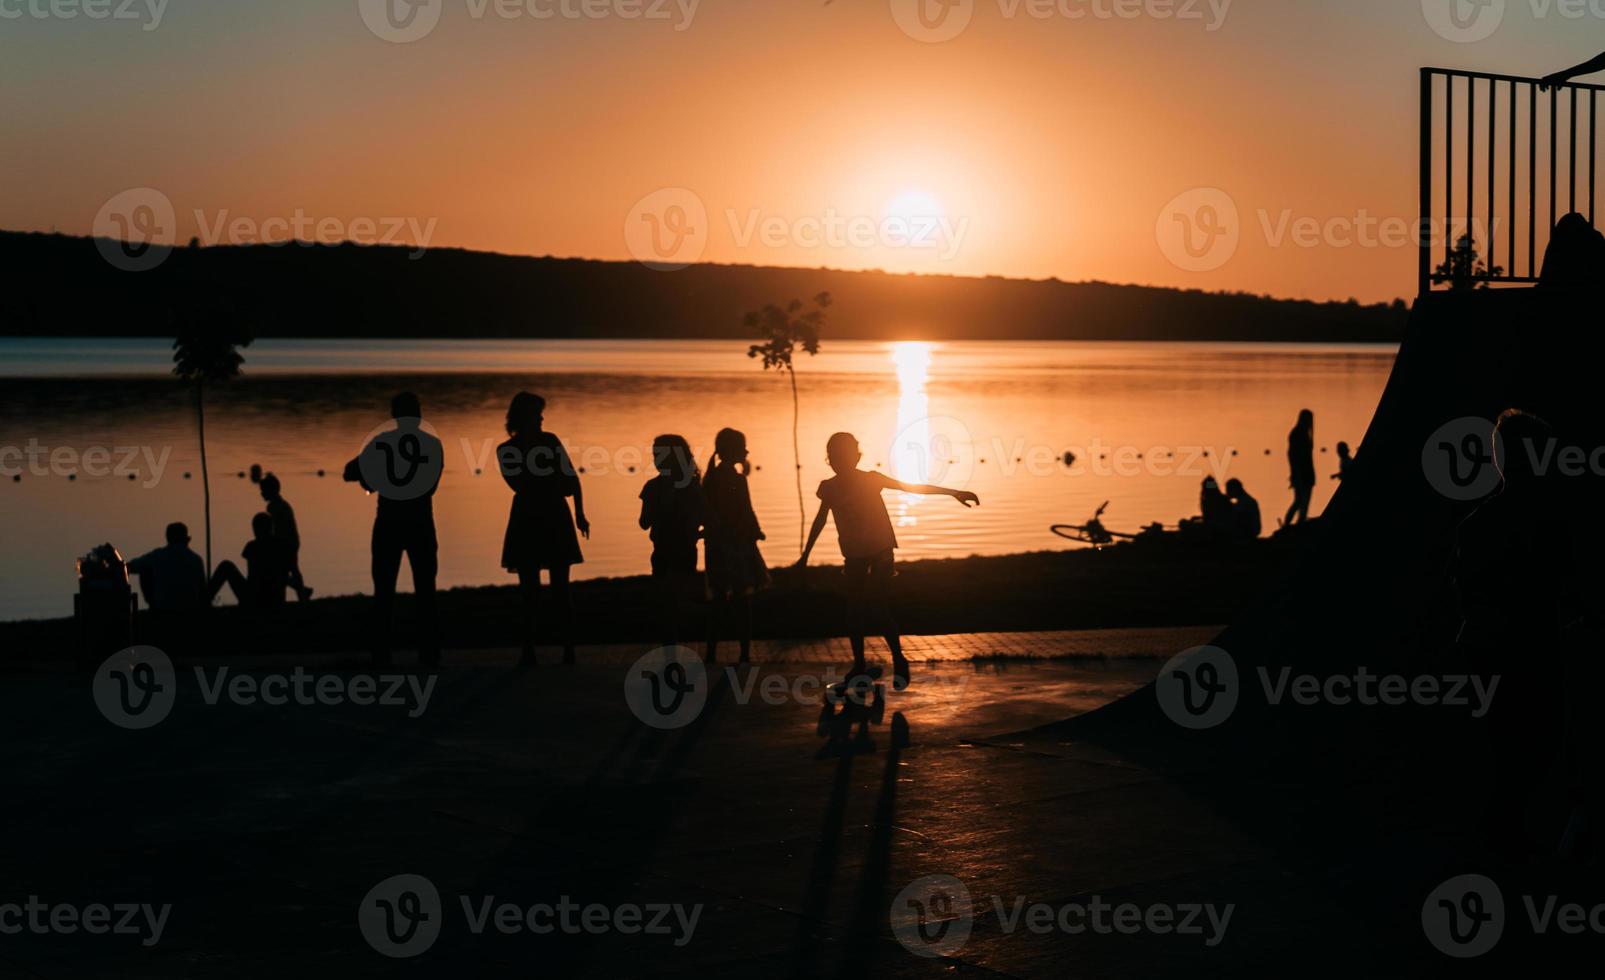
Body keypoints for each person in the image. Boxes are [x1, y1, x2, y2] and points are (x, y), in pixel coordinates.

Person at [1451, 409, 1577, 855]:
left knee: (1509, 741)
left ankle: (1500, 832)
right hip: (1520, 644)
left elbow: (1469, 592)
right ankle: (1503, 834)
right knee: (1530, 739)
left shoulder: (1479, 523)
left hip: (1490, 644)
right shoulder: (1546, 520)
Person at [796, 432, 980, 690]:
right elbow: (820, 520)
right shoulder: (829, 488)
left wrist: (953, 492)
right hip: (854, 554)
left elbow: (912, 487)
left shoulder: (872, 480)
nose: (841, 462)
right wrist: (805, 554)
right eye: (836, 458)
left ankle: (898, 657)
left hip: (880, 552)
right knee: (853, 611)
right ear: (830, 460)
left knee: (878, 608)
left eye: (845, 456)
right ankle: (859, 665)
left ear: (856, 457)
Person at [344, 392, 443, 667]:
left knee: (384, 591)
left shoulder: (381, 443)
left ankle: (381, 655)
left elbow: (349, 471)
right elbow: (431, 487)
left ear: (394, 416)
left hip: (388, 521)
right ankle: (429, 655)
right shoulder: (432, 445)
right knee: (426, 590)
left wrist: (372, 479)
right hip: (421, 522)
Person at [498, 391, 588, 666]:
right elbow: (562, 481)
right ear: (524, 417)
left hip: (538, 514)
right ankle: (538, 649)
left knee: (550, 588)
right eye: (536, 413)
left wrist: (580, 512)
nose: (541, 418)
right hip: (541, 515)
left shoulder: (534, 444)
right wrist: (573, 506)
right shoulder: (517, 448)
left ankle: (559, 650)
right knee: (537, 590)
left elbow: (569, 480)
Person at [703, 428, 770, 664]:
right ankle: (744, 653)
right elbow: (746, 510)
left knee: (718, 600)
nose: (747, 451)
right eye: (743, 447)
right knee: (743, 600)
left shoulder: (710, 478)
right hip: (737, 545)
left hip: (716, 546)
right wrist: (756, 532)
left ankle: (711, 653)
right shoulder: (736, 479)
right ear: (733, 452)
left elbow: (709, 512)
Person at [639, 434, 708, 654]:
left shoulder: (689, 487)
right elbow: (644, 521)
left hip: (679, 550)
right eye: (655, 455)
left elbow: (705, 517)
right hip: (665, 550)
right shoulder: (657, 487)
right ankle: (671, 647)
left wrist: (695, 532)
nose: (656, 459)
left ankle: (672, 646)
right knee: (668, 600)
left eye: (659, 455)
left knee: (672, 600)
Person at [207, 512, 290, 609]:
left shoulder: (252, 547)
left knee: (226, 566)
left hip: (254, 598)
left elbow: (253, 577)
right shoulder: (281, 546)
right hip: (276, 598)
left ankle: (204, 600)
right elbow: (285, 575)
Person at [127, 522, 207, 613]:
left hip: (162, 608)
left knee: (144, 569)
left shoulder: (157, 556)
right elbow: (202, 588)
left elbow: (131, 567)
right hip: (190, 608)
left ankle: (153, 608)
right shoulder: (196, 559)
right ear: (186, 539)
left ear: (168, 538)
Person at [258, 472, 313, 601]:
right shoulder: (281, 504)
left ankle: (300, 593)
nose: (262, 493)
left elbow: (278, 529)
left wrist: (273, 544)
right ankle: (302, 591)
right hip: (290, 542)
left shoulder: (275, 507)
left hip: (286, 543)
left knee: (283, 571)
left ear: (271, 491)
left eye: (263, 491)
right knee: (289, 570)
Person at [1283, 409, 1316, 527]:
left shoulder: (1305, 434)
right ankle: (1289, 524)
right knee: (1300, 501)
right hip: (1301, 473)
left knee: (1302, 501)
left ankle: (1297, 523)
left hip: (1307, 472)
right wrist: (1295, 473)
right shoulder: (1297, 434)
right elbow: (1292, 455)